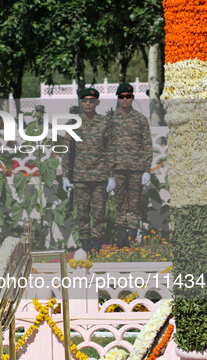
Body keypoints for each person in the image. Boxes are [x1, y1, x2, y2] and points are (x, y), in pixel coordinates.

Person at [63, 88, 109, 253]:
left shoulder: (105, 123)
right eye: (84, 101)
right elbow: (67, 152)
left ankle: (96, 248)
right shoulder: (73, 124)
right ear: (81, 103)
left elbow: (111, 150)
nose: (88, 104)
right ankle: (85, 248)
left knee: (99, 214)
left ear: (97, 102)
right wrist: (65, 177)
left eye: (91, 100)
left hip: (100, 176)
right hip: (80, 176)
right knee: (82, 214)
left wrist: (111, 176)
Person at [107, 83, 153, 247]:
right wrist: (109, 175)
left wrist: (147, 170)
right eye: (122, 97)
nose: (125, 99)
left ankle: (132, 239)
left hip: (136, 169)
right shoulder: (110, 119)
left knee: (134, 206)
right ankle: (121, 240)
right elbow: (106, 146)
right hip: (118, 169)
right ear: (118, 99)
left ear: (132, 98)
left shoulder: (140, 119)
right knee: (120, 205)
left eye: (128, 96)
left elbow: (147, 145)